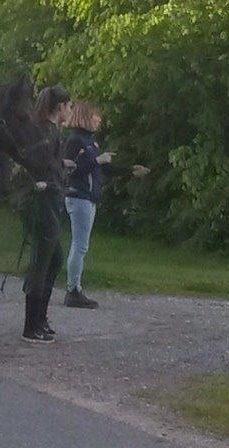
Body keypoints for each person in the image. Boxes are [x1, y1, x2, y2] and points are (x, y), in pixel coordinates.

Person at [62, 101, 149, 309]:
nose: (99, 119)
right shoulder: (74, 140)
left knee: (81, 245)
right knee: (79, 245)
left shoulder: (90, 142)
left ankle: (74, 288)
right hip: (78, 197)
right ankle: (73, 290)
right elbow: (70, 171)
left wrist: (129, 171)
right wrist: (96, 161)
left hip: (88, 198)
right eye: (95, 116)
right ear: (85, 117)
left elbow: (101, 170)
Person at [21, 84, 74, 344]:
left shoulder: (53, 131)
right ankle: (31, 324)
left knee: (54, 259)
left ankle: (40, 317)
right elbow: (32, 161)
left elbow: (49, 161)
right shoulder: (43, 130)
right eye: (69, 106)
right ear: (60, 107)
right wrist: (41, 181)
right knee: (42, 260)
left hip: (53, 197)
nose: (71, 111)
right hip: (42, 200)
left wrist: (62, 167)